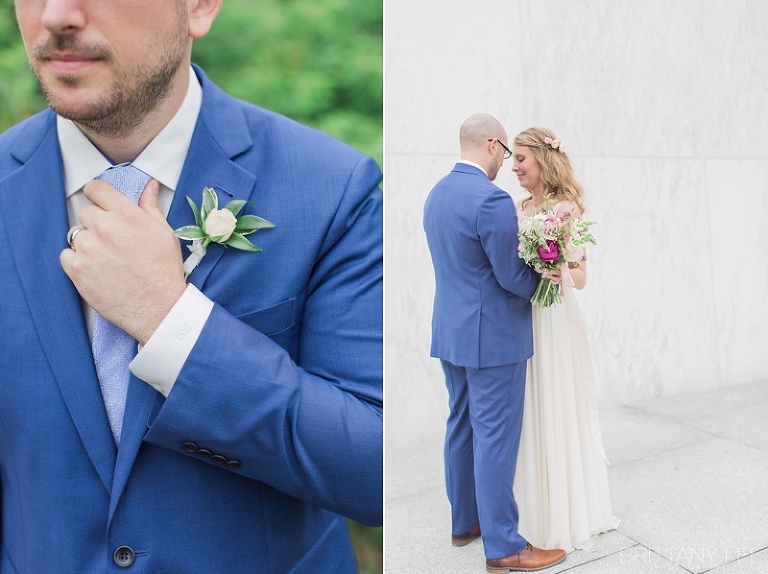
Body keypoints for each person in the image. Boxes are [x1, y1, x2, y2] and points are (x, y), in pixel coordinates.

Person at [0, 1, 382, 572]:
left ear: (199, 6)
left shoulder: (333, 190)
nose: (56, 15)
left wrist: (171, 323)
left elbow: (374, 472)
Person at [423, 113, 567, 573]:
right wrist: (544, 287)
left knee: (461, 425)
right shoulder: (491, 199)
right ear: (491, 145)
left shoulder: (436, 194)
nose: (506, 163)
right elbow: (509, 274)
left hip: (450, 332)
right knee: (495, 440)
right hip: (493, 339)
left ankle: (465, 522)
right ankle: (505, 546)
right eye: (506, 153)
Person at [511, 126, 619, 551]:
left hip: (555, 316)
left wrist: (556, 273)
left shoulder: (567, 208)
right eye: (513, 159)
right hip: (524, 315)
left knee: (555, 401)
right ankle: (528, 505)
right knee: (528, 406)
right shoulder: (518, 207)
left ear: (543, 159)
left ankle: (566, 511)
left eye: (521, 159)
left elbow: (581, 276)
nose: (514, 167)